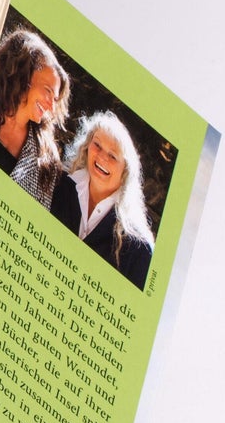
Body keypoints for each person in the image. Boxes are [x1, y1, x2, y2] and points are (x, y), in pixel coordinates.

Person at [50, 110, 155, 289]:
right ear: (87, 145)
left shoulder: (139, 249)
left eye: (113, 156)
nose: (101, 157)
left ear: (125, 171)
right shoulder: (57, 186)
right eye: (97, 145)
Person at [0, 28, 70, 207]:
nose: (51, 106)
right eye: (47, 91)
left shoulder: (45, 162)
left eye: (55, 99)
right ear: (22, 77)